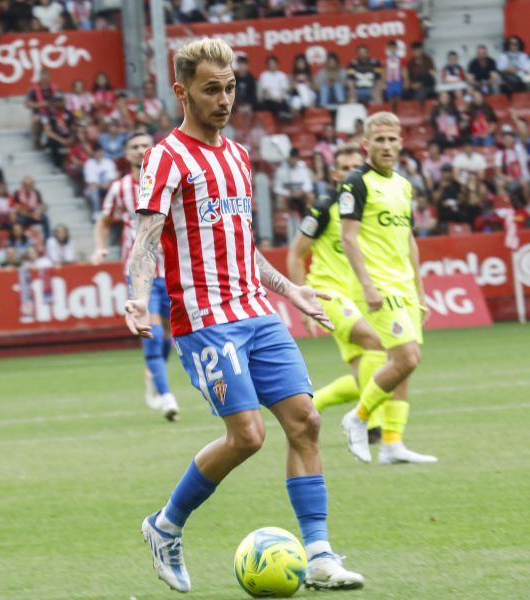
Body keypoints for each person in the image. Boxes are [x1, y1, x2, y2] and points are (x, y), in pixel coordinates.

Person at [128, 38, 365, 593]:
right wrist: (138, 295)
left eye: (231, 87)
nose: (224, 99)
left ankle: (320, 556)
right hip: (206, 320)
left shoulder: (237, 156)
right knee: (248, 436)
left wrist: (290, 290)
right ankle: (165, 526)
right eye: (212, 89)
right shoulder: (166, 157)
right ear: (183, 92)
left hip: (256, 311)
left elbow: (242, 247)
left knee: (306, 421)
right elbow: (147, 238)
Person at [338, 111, 436, 465]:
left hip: (404, 285)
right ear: (366, 145)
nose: (387, 146)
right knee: (407, 357)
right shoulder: (356, 183)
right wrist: (368, 285)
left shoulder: (404, 185)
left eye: (392, 139)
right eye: (379, 140)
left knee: (403, 364)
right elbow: (348, 238)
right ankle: (358, 417)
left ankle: (393, 444)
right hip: (377, 285)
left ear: (401, 143)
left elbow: (409, 239)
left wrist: (420, 289)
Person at [286, 143, 385, 442]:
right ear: (335, 175)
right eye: (344, 169)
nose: (350, 173)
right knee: (375, 343)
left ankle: (313, 404)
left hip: (357, 297)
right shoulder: (325, 208)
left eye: (356, 168)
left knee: (369, 372)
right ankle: (371, 425)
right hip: (328, 294)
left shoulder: (370, 208)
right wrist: (303, 305)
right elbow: (295, 254)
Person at [92, 131, 179, 421]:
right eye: (135, 146)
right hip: (141, 272)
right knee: (153, 333)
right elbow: (104, 221)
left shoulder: (170, 181)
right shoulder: (120, 188)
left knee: (170, 334)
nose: (141, 150)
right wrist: (100, 247)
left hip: (173, 268)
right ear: (126, 154)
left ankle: (153, 375)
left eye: (145, 145)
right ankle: (166, 397)